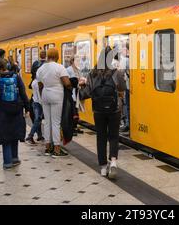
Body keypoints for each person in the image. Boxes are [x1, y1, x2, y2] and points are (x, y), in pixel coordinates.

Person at [79, 47, 127, 179]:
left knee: (101, 137)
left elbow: (87, 93)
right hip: (114, 109)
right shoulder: (116, 73)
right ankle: (113, 162)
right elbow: (123, 88)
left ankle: (103, 167)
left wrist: (82, 85)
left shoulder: (92, 73)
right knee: (113, 136)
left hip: (98, 110)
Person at [0, 59, 30, 170]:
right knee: (14, 133)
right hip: (17, 110)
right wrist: (27, 108)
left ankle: (7, 162)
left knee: (5, 136)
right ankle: (15, 158)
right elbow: (23, 93)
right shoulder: (17, 78)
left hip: (3, 111)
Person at [36, 48, 72, 157]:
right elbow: (67, 83)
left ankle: (47, 147)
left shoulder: (41, 69)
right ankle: (56, 148)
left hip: (45, 94)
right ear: (57, 56)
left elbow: (40, 85)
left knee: (47, 122)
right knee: (56, 122)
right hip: (57, 95)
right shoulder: (59, 67)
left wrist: (44, 95)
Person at [66, 55, 84, 135]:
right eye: (77, 60)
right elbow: (69, 82)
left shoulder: (78, 70)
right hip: (72, 93)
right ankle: (71, 128)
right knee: (72, 111)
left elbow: (80, 79)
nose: (78, 62)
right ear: (72, 61)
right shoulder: (68, 70)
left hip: (78, 93)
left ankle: (75, 127)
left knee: (76, 111)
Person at [25, 77, 44, 145]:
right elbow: (40, 96)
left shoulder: (34, 81)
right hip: (39, 103)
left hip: (35, 102)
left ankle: (39, 136)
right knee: (38, 120)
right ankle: (30, 136)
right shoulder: (38, 82)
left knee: (37, 119)